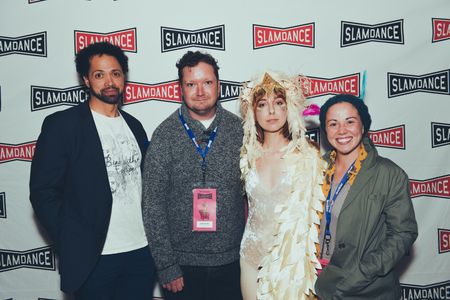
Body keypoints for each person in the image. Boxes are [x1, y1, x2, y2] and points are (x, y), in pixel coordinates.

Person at [29, 41, 155, 300]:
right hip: (94, 260)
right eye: (99, 74)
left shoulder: (135, 126)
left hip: (140, 253)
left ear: (124, 78)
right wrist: (71, 237)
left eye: (116, 73)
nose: (109, 81)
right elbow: (42, 192)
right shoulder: (62, 126)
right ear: (86, 80)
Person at [142, 51, 245, 300]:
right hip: (182, 267)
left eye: (207, 82)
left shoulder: (240, 131)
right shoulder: (164, 135)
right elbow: (152, 204)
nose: (200, 91)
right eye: (191, 84)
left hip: (233, 263)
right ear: (181, 88)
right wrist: (166, 265)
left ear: (219, 85)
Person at [315, 94, 418, 299]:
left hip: (366, 289)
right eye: (333, 123)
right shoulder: (315, 169)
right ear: (325, 131)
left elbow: (403, 233)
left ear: (363, 126)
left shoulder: (389, 174)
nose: (342, 130)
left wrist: (362, 273)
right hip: (316, 282)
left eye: (350, 122)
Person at [239, 72, 324, 300]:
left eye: (278, 103)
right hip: (250, 260)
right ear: (252, 113)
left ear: (289, 108)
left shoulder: (308, 155)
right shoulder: (246, 156)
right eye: (263, 105)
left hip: (289, 268)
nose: (272, 112)